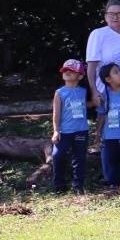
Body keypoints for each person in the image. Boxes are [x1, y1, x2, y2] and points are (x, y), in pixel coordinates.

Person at [50, 60, 90, 193]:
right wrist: (56, 131)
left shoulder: (84, 91)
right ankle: (59, 186)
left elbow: (88, 104)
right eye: (65, 70)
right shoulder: (60, 92)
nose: (67, 72)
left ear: (80, 76)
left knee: (79, 158)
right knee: (57, 156)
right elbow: (56, 113)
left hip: (81, 130)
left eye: (71, 71)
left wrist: (97, 102)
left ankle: (78, 186)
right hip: (64, 131)